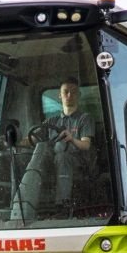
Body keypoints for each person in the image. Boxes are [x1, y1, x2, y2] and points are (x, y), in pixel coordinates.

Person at [12, 77, 95, 220]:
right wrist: (14, 141)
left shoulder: (84, 118)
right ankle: (19, 204)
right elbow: (32, 139)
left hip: (77, 161)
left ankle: (62, 205)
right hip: (53, 161)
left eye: (74, 92)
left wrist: (72, 139)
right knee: (36, 150)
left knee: (62, 156)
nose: (69, 95)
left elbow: (86, 145)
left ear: (79, 95)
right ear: (60, 95)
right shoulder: (52, 120)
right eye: (66, 92)